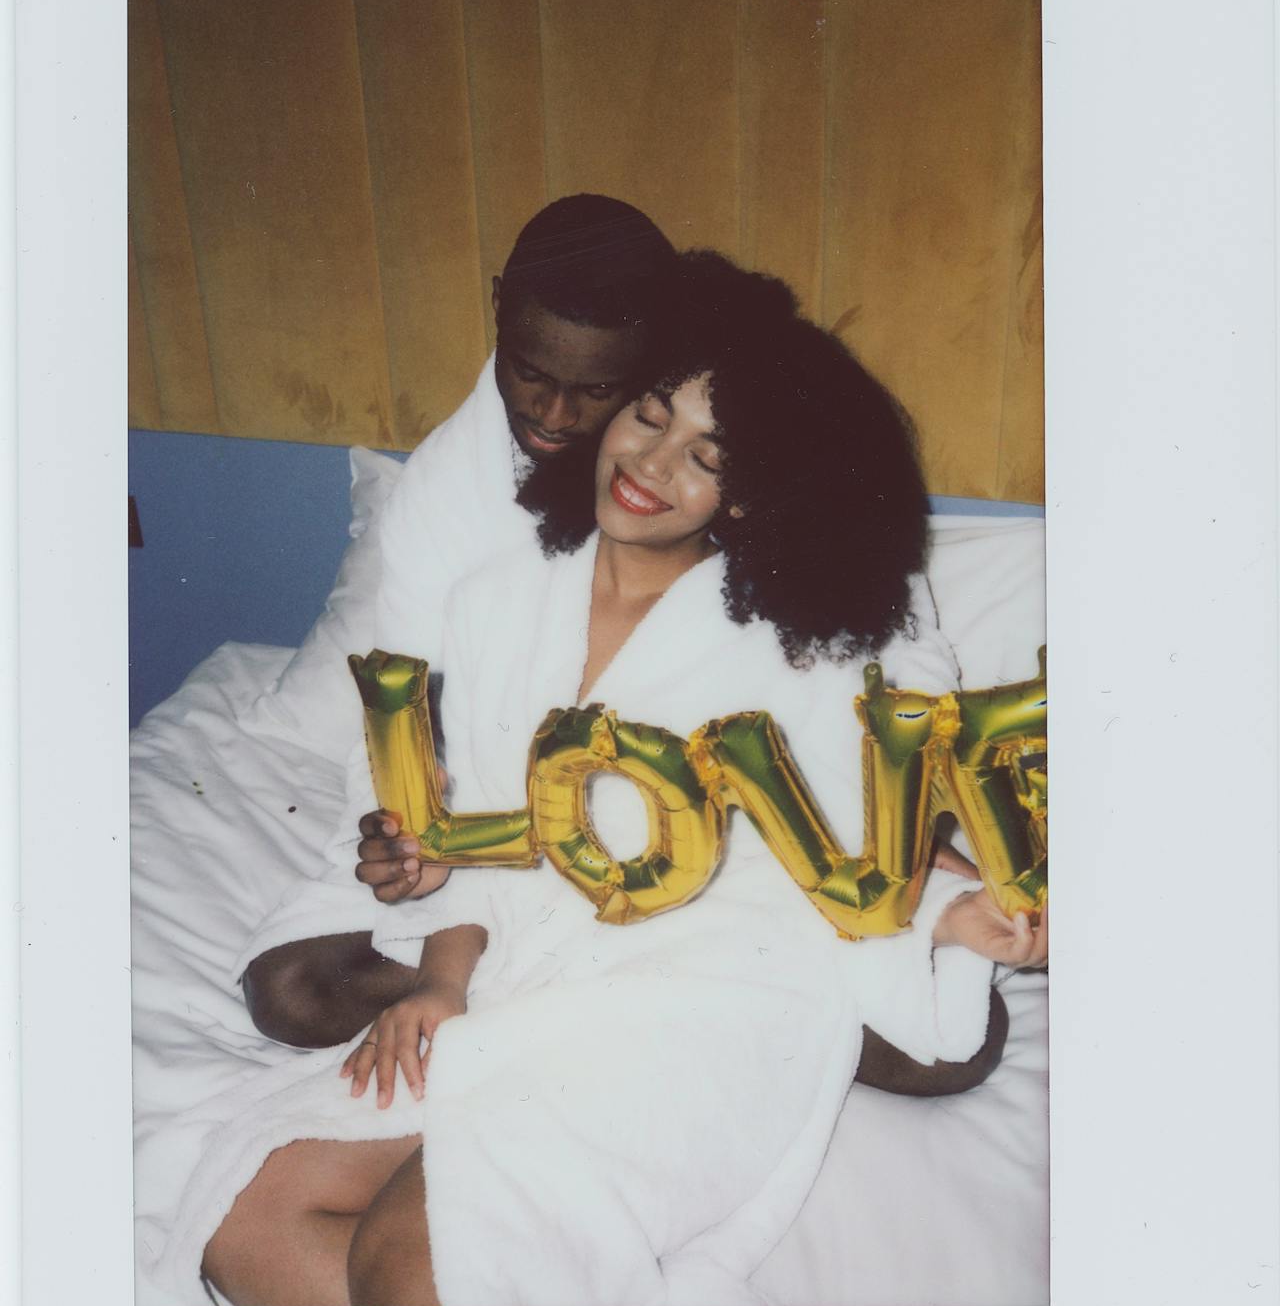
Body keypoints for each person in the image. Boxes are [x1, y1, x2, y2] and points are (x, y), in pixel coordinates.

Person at [166, 251, 1046, 1306]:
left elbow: (856, 828)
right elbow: (478, 829)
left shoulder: (794, 650)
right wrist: (442, 982)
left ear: (744, 498)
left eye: (705, 456)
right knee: (245, 1219)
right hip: (535, 965)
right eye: (649, 416)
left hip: (715, 990)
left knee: (419, 1251)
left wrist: (953, 912)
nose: (653, 464)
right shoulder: (498, 599)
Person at [240, 205, 1007, 1095]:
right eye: (530, 374)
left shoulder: (711, 473)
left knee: (949, 1044)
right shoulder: (450, 501)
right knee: (292, 990)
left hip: (680, 854)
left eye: (600, 392)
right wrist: (406, 831)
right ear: (499, 316)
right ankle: (574, 1000)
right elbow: (404, 716)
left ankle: (600, 997)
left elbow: (878, 636)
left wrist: (917, 826)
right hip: (493, 830)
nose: (555, 414)